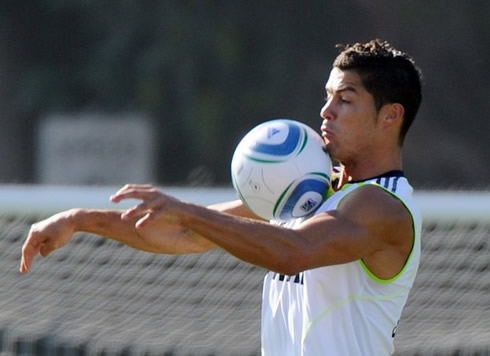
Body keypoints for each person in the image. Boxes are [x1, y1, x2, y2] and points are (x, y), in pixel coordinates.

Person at [20, 39, 423, 356]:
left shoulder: (383, 205)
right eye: (327, 96)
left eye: (345, 99)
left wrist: (188, 211)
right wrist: (78, 220)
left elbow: (294, 251)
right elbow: (181, 235)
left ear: (391, 116)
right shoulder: (314, 186)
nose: (326, 111)